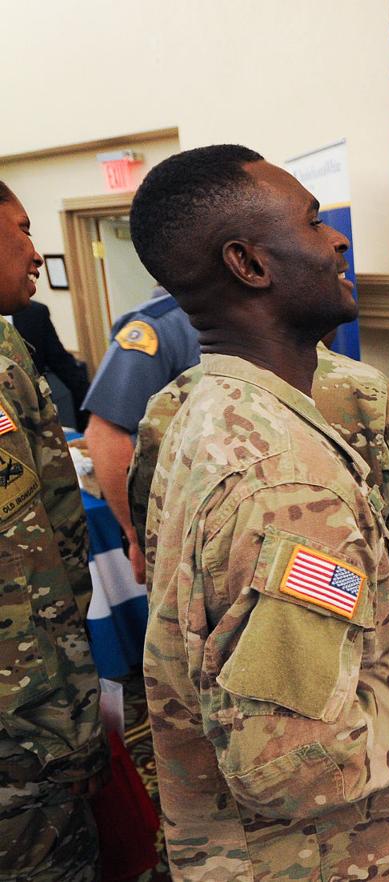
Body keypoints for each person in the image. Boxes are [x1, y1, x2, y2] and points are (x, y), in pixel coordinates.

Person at [129, 144, 389, 880]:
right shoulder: (286, 483)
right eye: (313, 222)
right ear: (249, 264)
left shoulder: (199, 410)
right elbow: (293, 766)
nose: (337, 239)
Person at [126, 343, 389, 617]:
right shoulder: (370, 393)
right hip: (353, 653)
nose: (342, 270)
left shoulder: (171, 405)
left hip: (210, 654)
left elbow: (156, 538)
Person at [0, 181, 109, 881]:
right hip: (22, 733)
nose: (37, 252)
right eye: (21, 229)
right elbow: (21, 573)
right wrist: (64, 732)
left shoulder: (10, 341)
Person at [82, 286, 199, 584]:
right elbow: (106, 434)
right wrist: (137, 536)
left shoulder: (266, 316)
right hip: (185, 529)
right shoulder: (156, 328)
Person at [11, 299, 90, 429]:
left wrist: (97, 407)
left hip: (36, 419)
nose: (32, 280)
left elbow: (63, 364)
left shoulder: (35, 313)